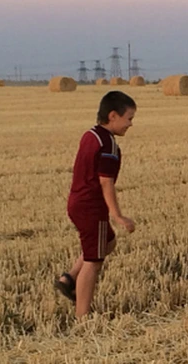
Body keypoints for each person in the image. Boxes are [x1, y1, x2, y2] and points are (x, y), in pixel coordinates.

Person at [55, 91, 137, 318]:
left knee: (107, 243)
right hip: (92, 207)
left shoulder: (90, 135)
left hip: (76, 202)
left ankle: (69, 278)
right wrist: (118, 215)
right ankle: (82, 317)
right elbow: (105, 182)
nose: (131, 124)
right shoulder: (108, 143)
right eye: (129, 118)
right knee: (93, 261)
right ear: (113, 116)